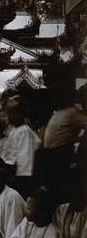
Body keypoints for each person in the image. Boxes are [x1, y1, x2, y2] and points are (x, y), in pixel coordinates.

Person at [35, 71, 87, 205]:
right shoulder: (57, 111)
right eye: (52, 93)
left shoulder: (73, 112)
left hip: (60, 156)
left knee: (57, 190)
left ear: (66, 94)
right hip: (49, 157)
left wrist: (76, 140)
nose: (54, 96)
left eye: (57, 92)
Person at [1, 95, 41, 199]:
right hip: (12, 172)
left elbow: (25, 157)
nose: (10, 116)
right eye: (8, 113)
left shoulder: (24, 130)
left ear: (23, 113)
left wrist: (21, 178)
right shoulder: (14, 130)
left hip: (22, 176)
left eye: (14, 113)